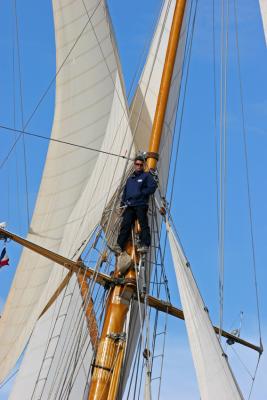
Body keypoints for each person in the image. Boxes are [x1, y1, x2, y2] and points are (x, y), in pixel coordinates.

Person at [111, 155, 157, 254]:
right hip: (129, 205)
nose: (139, 166)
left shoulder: (146, 176)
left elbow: (152, 187)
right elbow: (125, 192)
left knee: (143, 224)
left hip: (140, 204)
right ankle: (119, 245)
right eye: (137, 164)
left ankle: (144, 244)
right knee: (125, 225)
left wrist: (142, 193)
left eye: (141, 165)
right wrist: (122, 204)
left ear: (144, 165)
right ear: (134, 165)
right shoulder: (130, 179)